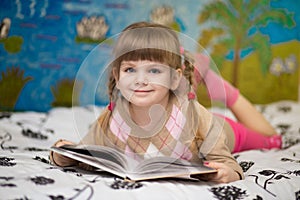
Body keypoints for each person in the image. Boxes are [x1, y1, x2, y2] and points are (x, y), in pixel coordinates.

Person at [49, 21, 282, 183]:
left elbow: (228, 166)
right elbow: (86, 155)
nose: (140, 80)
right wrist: (62, 155)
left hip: (220, 128)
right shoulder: (112, 120)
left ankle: (224, 90)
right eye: (130, 69)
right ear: (117, 78)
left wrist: (227, 174)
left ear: (174, 78)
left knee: (273, 140)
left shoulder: (192, 114)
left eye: (154, 70)